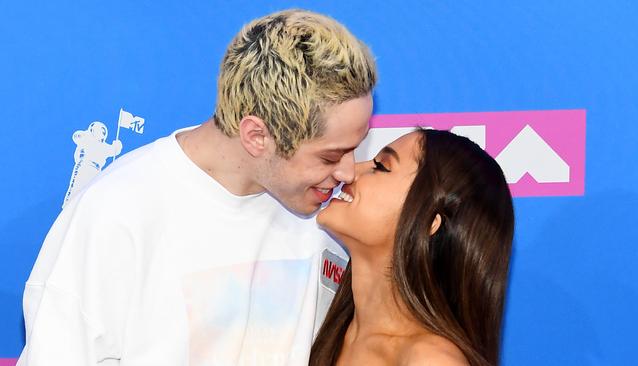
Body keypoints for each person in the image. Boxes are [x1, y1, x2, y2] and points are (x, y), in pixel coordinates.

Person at [18, 9, 376, 366]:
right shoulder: (116, 215)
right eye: (330, 157)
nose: (348, 172)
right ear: (256, 136)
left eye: (355, 149)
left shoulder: (334, 216)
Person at [311, 129, 514, 366]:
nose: (349, 172)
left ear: (429, 221)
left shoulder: (431, 360)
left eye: (381, 166)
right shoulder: (324, 326)